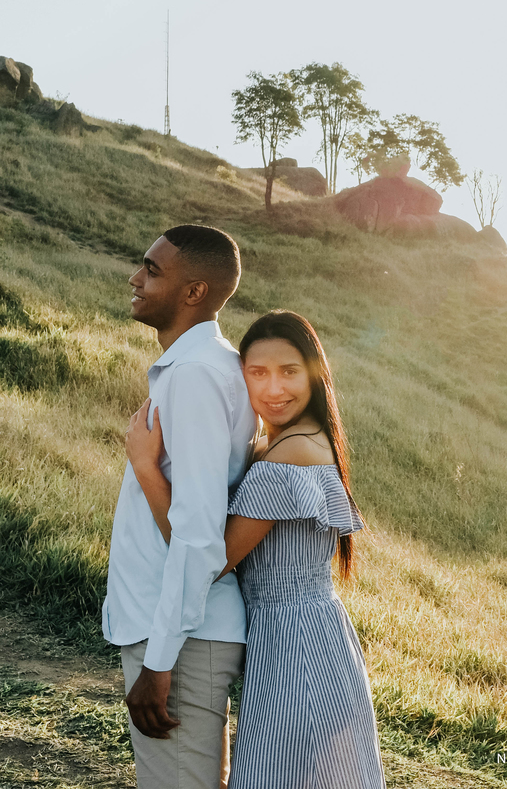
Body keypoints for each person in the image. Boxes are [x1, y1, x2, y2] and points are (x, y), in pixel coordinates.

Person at [125, 310, 386, 788]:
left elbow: (214, 559)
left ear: (315, 373)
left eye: (289, 372)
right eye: (257, 372)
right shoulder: (288, 441)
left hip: (296, 646)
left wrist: (146, 468)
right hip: (307, 635)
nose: (273, 389)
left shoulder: (290, 454)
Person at [104, 225, 256, 788]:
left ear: (194, 292)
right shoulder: (207, 366)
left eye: (152, 269)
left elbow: (197, 532)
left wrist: (159, 661)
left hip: (180, 637)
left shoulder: (194, 376)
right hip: (181, 626)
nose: (135, 278)